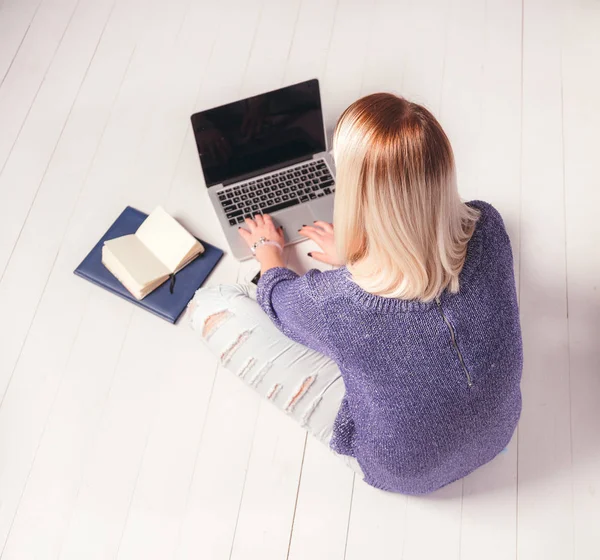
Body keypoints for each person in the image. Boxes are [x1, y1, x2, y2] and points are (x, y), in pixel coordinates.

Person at [188, 93, 523, 494]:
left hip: (401, 473)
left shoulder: (336, 303)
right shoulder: (488, 224)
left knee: (211, 303)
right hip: (500, 431)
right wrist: (358, 253)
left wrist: (269, 253)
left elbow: (277, 301)